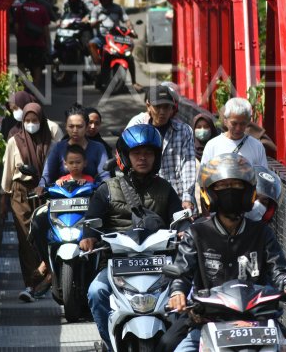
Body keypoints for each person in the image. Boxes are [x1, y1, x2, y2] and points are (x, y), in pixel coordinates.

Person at [166, 154, 286, 352]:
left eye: (237, 185)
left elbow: (278, 269)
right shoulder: (196, 233)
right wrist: (177, 293)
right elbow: (182, 272)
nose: (230, 191)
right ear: (210, 193)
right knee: (167, 345)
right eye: (223, 186)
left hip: (259, 320)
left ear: (249, 191)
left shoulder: (261, 232)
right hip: (207, 320)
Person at [81, 125, 183, 351]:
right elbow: (90, 220)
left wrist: (185, 229)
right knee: (95, 292)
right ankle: (109, 343)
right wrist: (88, 237)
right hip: (117, 264)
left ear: (156, 157)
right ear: (125, 156)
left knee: (187, 295)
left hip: (160, 265)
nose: (143, 158)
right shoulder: (107, 189)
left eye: (148, 153)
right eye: (137, 153)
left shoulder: (165, 189)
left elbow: (180, 218)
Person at [0, 102, 60, 302]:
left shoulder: (50, 140)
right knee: (26, 238)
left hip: (44, 191)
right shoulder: (14, 142)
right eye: (27, 121)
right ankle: (30, 283)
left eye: (35, 120)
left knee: (45, 235)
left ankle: (47, 276)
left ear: (41, 121)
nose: (31, 124)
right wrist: (4, 196)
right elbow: (8, 170)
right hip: (21, 193)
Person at [126, 85, 197, 210]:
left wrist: (187, 197)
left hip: (178, 196)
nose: (162, 112)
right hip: (146, 197)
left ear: (172, 108)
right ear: (148, 106)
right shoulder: (137, 128)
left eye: (166, 107)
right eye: (158, 107)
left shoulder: (184, 130)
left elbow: (188, 165)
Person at [30, 144, 95, 269]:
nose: (75, 165)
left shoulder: (89, 179)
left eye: (78, 162)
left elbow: (94, 188)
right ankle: (45, 261)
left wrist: (86, 183)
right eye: (71, 162)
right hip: (63, 219)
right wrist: (56, 185)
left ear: (85, 163)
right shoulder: (61, 180)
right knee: (38, 222)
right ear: (65, 164)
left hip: (81, 219)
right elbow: (52, 192)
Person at [39, 104, 109, 191]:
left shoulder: (98, 148)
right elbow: (47, 175)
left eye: (79, 126)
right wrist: (41, 186)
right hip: (61, 199)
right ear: (66, 127)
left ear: (87, 127)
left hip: (92, 198)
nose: (75, 130)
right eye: (71, 126)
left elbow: (105, 176)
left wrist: (104, 188)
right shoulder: (58, 148)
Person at [88, 0, 138, 88]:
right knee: (91, 43)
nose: (102, 1)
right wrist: (97, 22)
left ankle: (134, 81)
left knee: (129, 55)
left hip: (116, 37)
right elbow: (91, 23)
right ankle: (98, 67)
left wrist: (131, 29)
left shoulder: (118, 8)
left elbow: (127, 20)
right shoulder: (96, 9)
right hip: (102, 37)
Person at [200, 97, 269, 169]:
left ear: (248, 121)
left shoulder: (257, 146)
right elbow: (203, 176)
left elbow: (263, 175)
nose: (238, 128)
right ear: (225, 121)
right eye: (234, 123)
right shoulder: (212, 145)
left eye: (242, 124)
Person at [14, 0, 53, 86]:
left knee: (21, 64)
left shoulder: (20, 9)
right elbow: (46, 29)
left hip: (23, 43)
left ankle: (24, 84)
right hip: (38, 43)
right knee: (37, 66)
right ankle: (35, 86)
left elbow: (16, 27)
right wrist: (48, 44)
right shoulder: (42, 9)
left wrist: (20, 38)